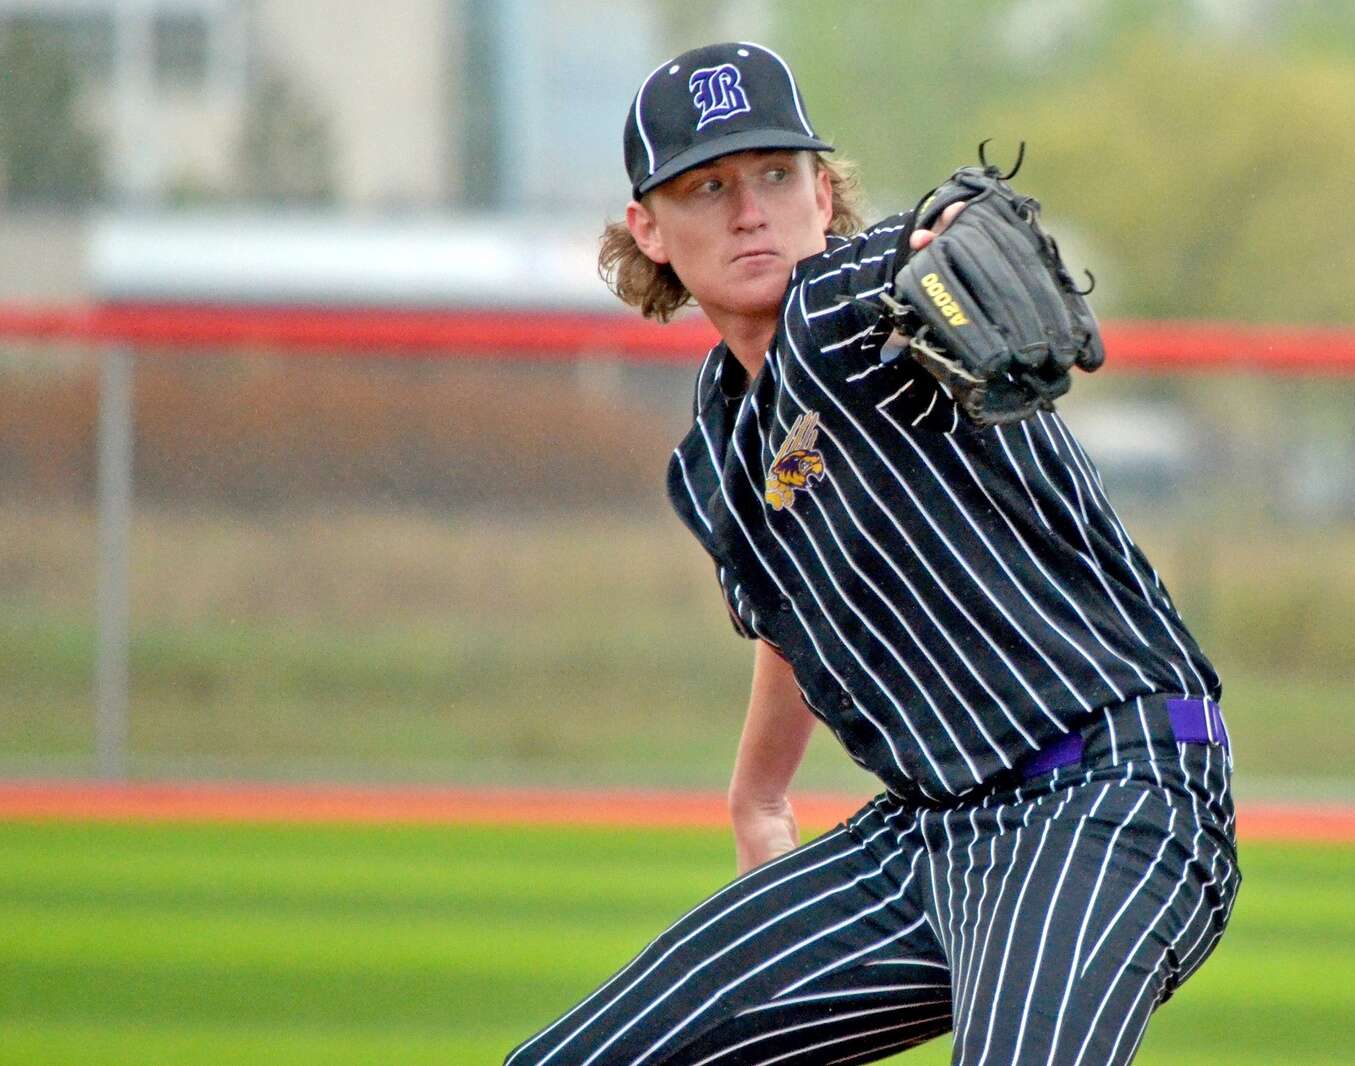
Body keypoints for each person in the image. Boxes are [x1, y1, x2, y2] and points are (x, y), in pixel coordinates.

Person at [507, 41, 1238, 1066]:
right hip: (923, 835)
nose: (749, 209)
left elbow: (911, 251)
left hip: (1107, 797)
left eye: (774, 173)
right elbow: (791, 615)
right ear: (648, 227)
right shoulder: (717, 449)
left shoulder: (858, 315)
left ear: (821, 191)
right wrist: (758, 793)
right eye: (706, 186)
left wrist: (939, 236)